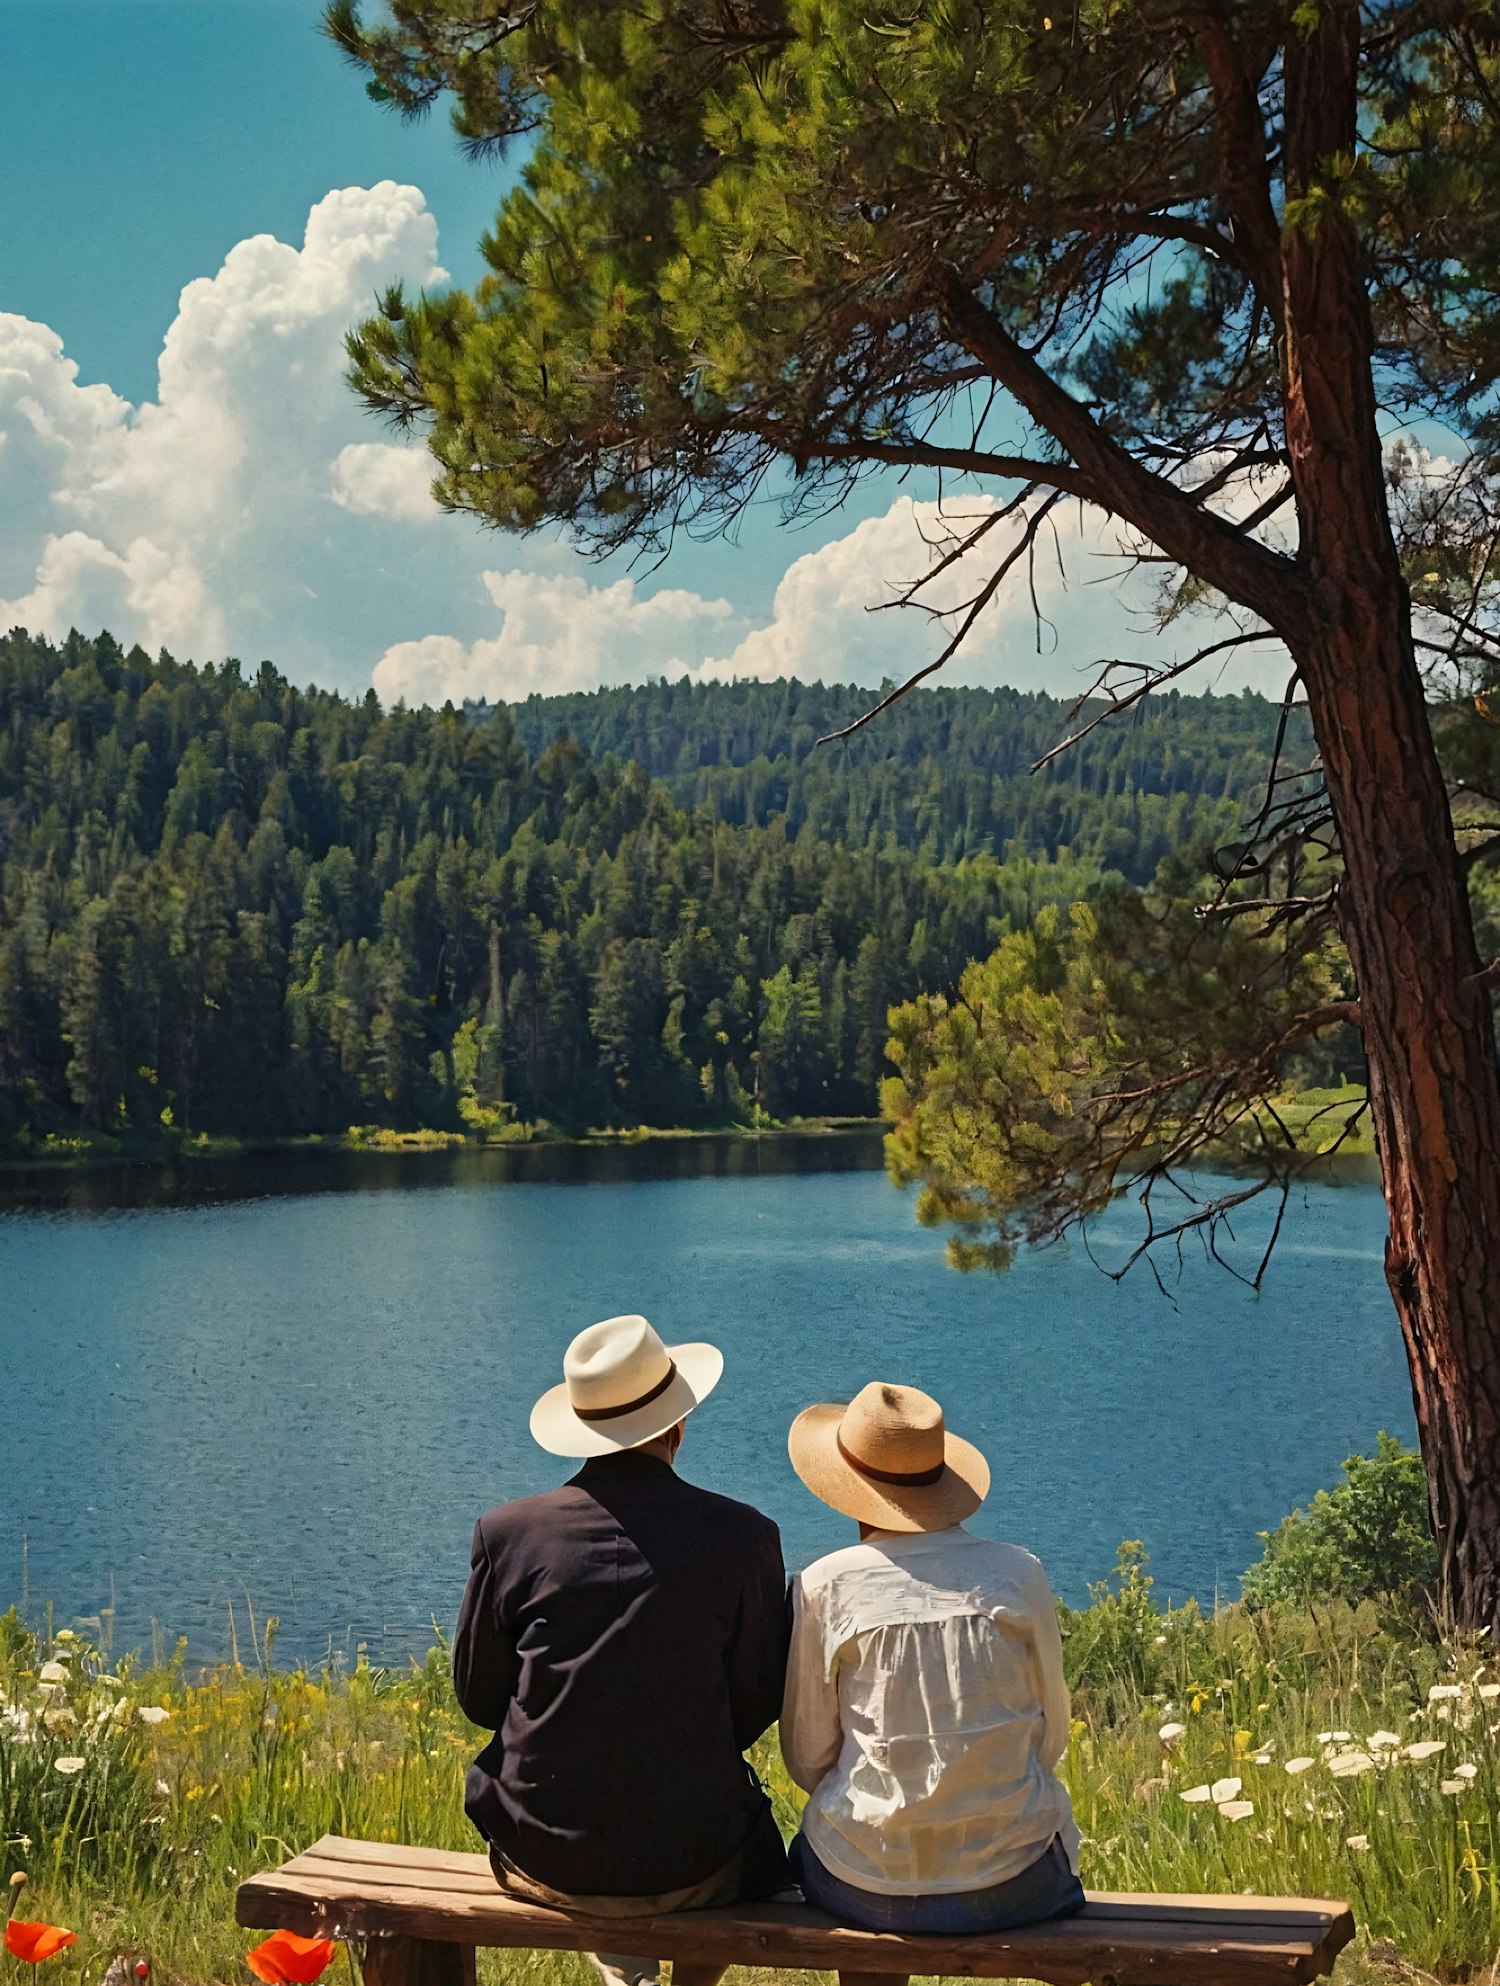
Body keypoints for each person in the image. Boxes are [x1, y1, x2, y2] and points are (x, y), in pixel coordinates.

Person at [452, 1313, 790, 1986]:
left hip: (542, 1854)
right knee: (726, 1835)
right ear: (676, 1426)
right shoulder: (746, 1536)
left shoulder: (508, 1534)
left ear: (580, 1431)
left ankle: (625, 1978)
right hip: (699, 1859)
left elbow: (480, 1698)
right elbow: (756, 1701)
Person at [779, 1380, 1084, 1962]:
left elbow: (808, 1756)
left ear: (846, 1489)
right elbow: (1052, 1735)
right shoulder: (1019, 1573)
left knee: (845, 1883)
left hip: (862, 1881)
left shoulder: (824, 1585)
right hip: (1012, 1879)